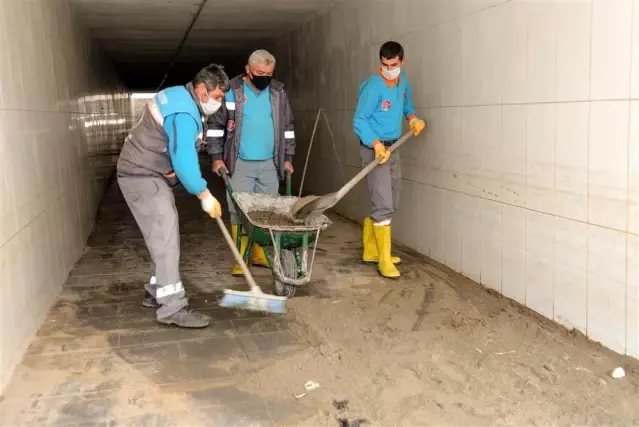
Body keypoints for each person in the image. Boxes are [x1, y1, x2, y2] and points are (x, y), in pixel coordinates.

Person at [116, 64, 229, 328]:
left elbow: (170, 147)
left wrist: (172, 171)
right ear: (202, 89)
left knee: (163, 235)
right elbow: (184, 159)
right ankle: (172, 308)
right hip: (141, 175)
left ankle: (155, 291)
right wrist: (204, 193)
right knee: (166, 239)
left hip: (146, 171)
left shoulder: (180, 95)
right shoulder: (185, 112)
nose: (219, 103)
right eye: (218, 97)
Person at [206, 49, 296, 276]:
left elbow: (287, 128)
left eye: (268, 73)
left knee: (267, 211)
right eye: (259, 72)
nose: (264, 77)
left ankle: (259, 254)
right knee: (240, 211)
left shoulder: (277, 92)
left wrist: (287, 158)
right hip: (239, 163)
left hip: (270, 164)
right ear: (248, 69)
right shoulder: (232, 92)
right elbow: (216, 127)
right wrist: (216, 158)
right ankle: (241, 257)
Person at [353, 41, 426, 278]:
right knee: (384, 203)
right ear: (380, 62)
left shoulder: (403, 82)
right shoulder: (373, 87)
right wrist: (375, 144)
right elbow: (359, 120)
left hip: (393, 148)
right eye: (385, 65)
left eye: (394, 65)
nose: (389, 69)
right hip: (375, 150)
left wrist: (413, 118)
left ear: (402, 62)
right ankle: (383, 260)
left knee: (393, 198)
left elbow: (406, 104)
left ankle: (372, 249)